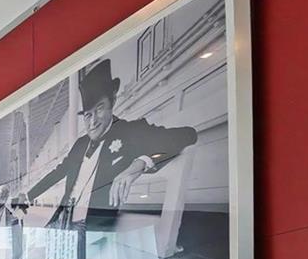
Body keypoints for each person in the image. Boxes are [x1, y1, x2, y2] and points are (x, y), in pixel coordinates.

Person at [12, 59, 198, 240]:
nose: (92, 122)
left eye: (100, 109)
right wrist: (27, 195)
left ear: (113, 101)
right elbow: (58, 172)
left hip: (91, 227)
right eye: (88, 115)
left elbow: (187, 134)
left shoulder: (131, 131)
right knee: (26, 258)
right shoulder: (80, 144)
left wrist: (139, 163)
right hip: (64, 221)